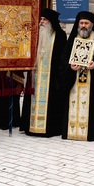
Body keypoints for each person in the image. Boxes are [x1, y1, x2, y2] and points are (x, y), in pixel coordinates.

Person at [61, 11, 94, 141]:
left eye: (86, 23)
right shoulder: (71, 41)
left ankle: (91, 132)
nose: (83, 26)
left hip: (92, 83)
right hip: (74, 81)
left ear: (92, 24)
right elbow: (63, 59)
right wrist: (69, 66)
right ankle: (70, 132)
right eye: (81, 23)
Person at [20, 8, 67, 137]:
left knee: (52, 101)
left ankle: (50, 128)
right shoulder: (35, 34)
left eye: (44, 20)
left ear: (51, 22)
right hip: (35, 75)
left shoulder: (60, 35)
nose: (41, 22)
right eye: (40, 19)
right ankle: (30, 126)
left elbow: (63, 57)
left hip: (51, 76)